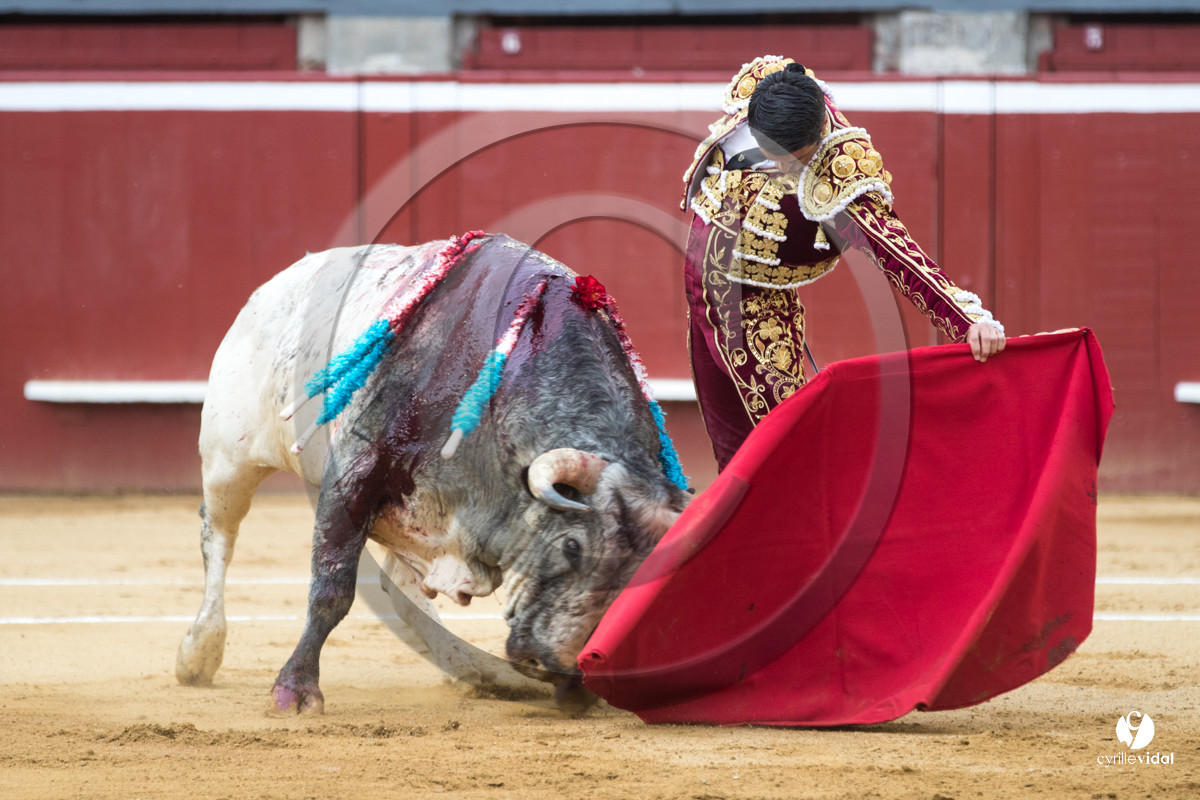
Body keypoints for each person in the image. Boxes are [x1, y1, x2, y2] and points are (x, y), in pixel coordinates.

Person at [682, 56, 1006, 470]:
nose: (782, 166)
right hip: (698, 277)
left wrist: (967, 320)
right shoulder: (769, 88)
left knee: (785, 442)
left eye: (794, 158)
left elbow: (897, 254)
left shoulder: (842, 178)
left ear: (819, 132)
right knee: (729, 440)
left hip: (752, 302)